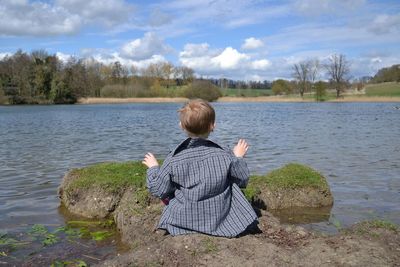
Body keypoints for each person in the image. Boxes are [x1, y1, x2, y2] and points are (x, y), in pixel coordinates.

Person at [142, 99, 257, 237]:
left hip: (184, 219)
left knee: (167, 189)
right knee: (232, 182)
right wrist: (238, 157)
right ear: (212, 126)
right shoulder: (225, 154)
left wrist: (154, 168)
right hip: (220, 216)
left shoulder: (173, 159)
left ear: (181, 126)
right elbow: (242, 180)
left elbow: (158, 189)